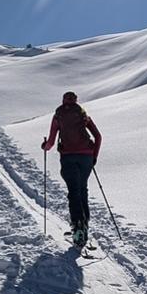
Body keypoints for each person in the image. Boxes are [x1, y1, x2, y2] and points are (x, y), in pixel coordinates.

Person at [41, 91, 101, 247]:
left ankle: (78, 228)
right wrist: (94, 156)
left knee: (73, 192)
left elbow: (51, 142)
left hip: (68, 157)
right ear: (76, 101)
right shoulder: (82, 114)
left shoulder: (58, 115)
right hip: (86, 157)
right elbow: (98, 136)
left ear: (63, 101)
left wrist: (45, 146)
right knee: (83, 189)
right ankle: (85, 226)